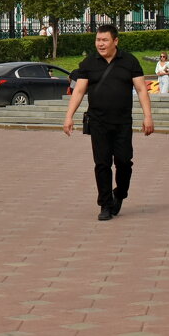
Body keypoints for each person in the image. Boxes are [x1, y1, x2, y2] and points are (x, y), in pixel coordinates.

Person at [62, 24, 155, 221]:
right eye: (98, 40)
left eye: (104, 40)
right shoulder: (89, 63)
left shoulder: (129, 61)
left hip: (122, 123)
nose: (100, 44)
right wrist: (69, 116)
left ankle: (120, 193)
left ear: (115, 41)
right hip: (98, 122)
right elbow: (78, 91)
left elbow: (141, 90)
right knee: (102, 164)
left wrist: (148, 116)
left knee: (124, 162)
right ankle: (105, 204)